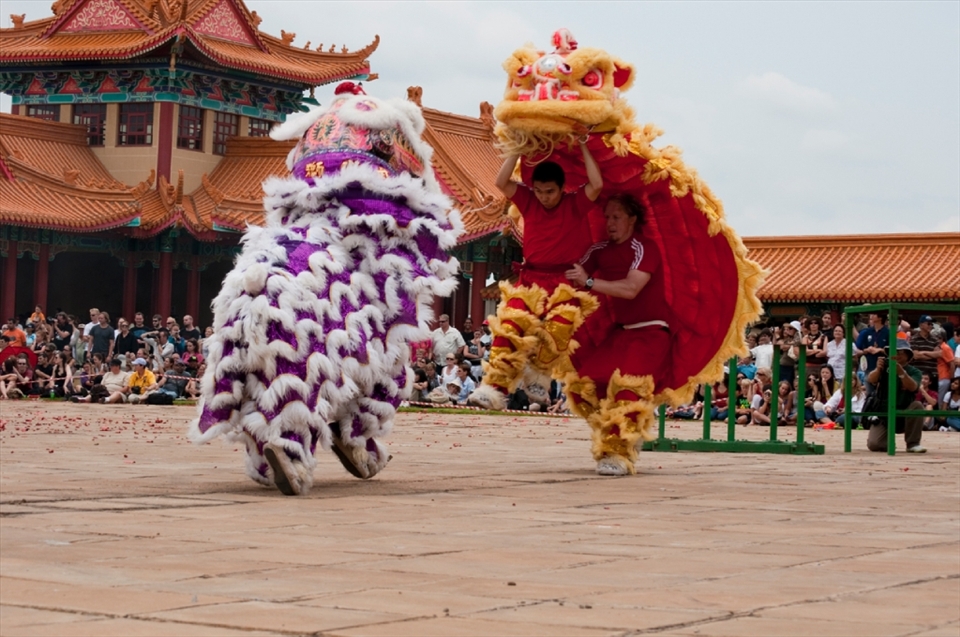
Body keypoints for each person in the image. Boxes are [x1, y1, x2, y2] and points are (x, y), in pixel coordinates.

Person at [471, 141, 603, 409]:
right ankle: (493, 388)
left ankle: (538, 376)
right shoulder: (528, 200)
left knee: (558, 331)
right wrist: (517, 151)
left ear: (562, 189)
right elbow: (501, 181)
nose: (544, 197)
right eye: (540, 191)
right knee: (508, 328)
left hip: (564, 282)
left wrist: (584, 147)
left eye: (550, 192)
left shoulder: (574, 204)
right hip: (530, 281)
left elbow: (597, 185)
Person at [562, 193, 670, 475]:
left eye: (616, 217)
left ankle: (619, 453)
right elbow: (570, 271)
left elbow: (630, 289)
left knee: (628, 389)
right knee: (583, 387)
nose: (609, 222)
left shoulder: (644, 248)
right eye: (606, 217)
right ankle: (625, 435)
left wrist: (588, 281)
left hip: (652, 333)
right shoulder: (600, 249)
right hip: (620, 335)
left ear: (632, 220)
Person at [864, 337, 925, 453]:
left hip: (905, 411)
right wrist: (878, 369)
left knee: (917, 406)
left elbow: (913, 387)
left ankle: (913, 443)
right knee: (874, 444)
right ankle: (888, 443)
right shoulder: (884, 367)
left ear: (908, 355)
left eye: (900, 352)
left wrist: (901, 373)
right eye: (893, 352)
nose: (896, 355)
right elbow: (871, 379)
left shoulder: (914, 371)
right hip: (884, 412)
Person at [910, 315, 941, 383]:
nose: (930, 326)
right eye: (928, 324)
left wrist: (922, 352)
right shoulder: (914, 339)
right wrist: (932, 354)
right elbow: (916, 356)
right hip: (918, 374)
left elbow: (939, 354)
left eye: (931, 324)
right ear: (921, 325)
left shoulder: (935, 339)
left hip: (933, 375)